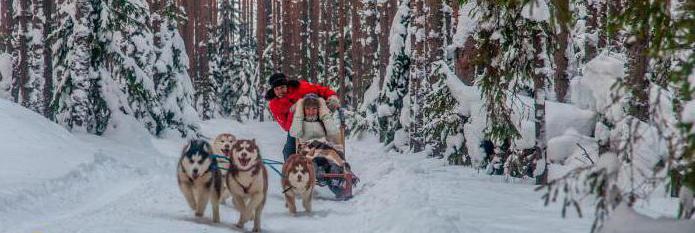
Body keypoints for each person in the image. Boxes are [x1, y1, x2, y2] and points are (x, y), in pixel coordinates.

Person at [265, 73, 340, 161]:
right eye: (276, 89)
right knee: (289, 150)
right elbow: (286, 126)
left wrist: (332, 97)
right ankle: (290, 170)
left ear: (287, 85)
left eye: (282, 87)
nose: (280, 91)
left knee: (331, 141)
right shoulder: (275, 104)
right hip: (295, 126)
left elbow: (321, 90)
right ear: (273, 90)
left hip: (316, 120)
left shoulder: (300, 87)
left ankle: (337, 161)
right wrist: (293, 112)